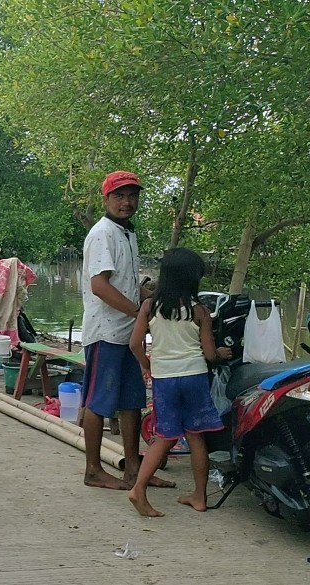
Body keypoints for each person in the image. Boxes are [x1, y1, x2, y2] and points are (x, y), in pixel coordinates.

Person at [80, 170, 173, 490]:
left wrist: (161, 299)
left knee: (132, 400)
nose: (127, 202)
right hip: (105, 331)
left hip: (127, 334)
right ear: (106, 199)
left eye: (132, 195)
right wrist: (139, 311)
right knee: (98, 402)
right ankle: (93, 469)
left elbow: (128, 286)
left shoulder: (127, 234)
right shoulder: (103, 233)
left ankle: (134, 467)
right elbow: (99, 286)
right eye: (119, 196)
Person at [127, 248, 231, 516]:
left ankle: (139, 489)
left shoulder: (150, 307)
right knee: (196, 437)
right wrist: (220, 353)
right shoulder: (200, 311)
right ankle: (199, 497)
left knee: (164, 435)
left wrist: (148, 363)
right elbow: (208, 354)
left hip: (165, 379)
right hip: (194, 377)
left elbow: (134, 344)